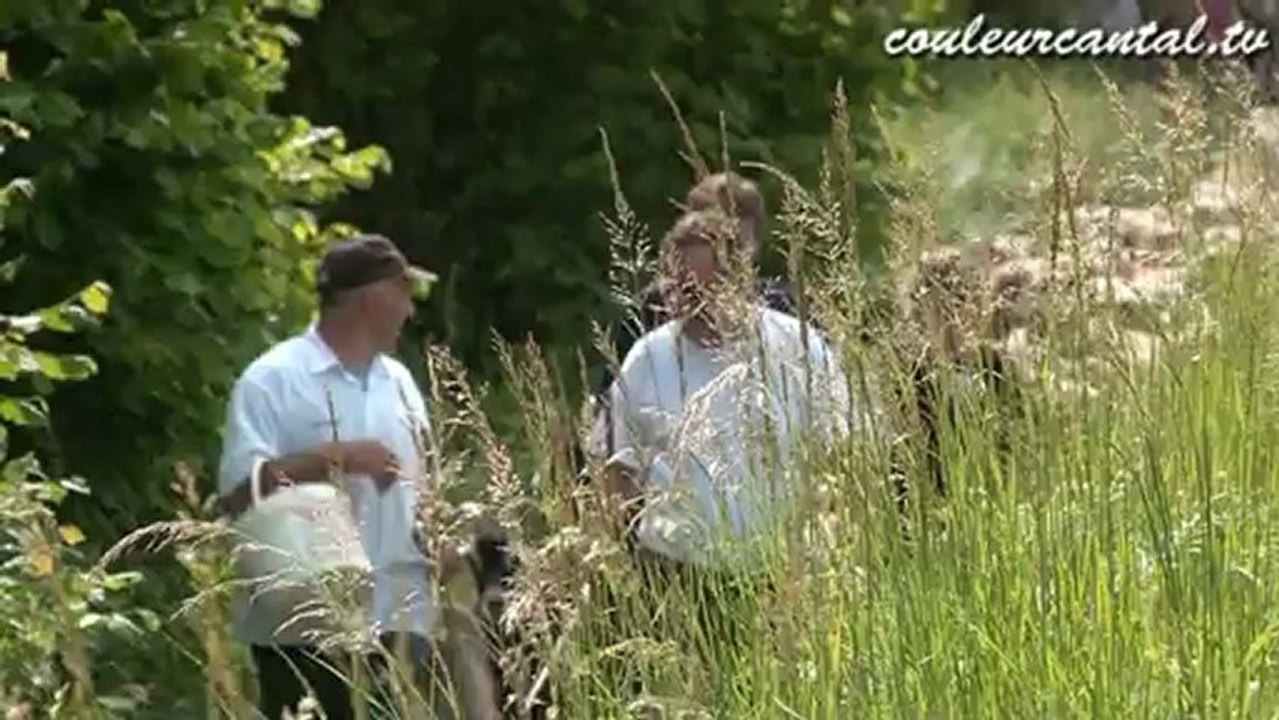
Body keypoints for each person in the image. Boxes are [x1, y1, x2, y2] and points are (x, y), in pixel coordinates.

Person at [588, 208, 854, 667]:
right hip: (674, 578)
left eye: (698, 290)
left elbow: (839, 457)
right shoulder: (648, 358)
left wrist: (810, 557)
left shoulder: (798, 349)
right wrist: (625, 558)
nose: (684, 304)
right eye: (676, 289)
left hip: (781, 575)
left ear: (738, 280)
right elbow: (616, 468)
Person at [217, 234, 445, 719]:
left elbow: (424, 494)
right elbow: (237, 495)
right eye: (402, 294)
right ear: (370, 299)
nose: (409, 310)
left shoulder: (400, 383)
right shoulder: (272, 379)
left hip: (398, 613)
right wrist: (330, 459)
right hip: (302, 621)